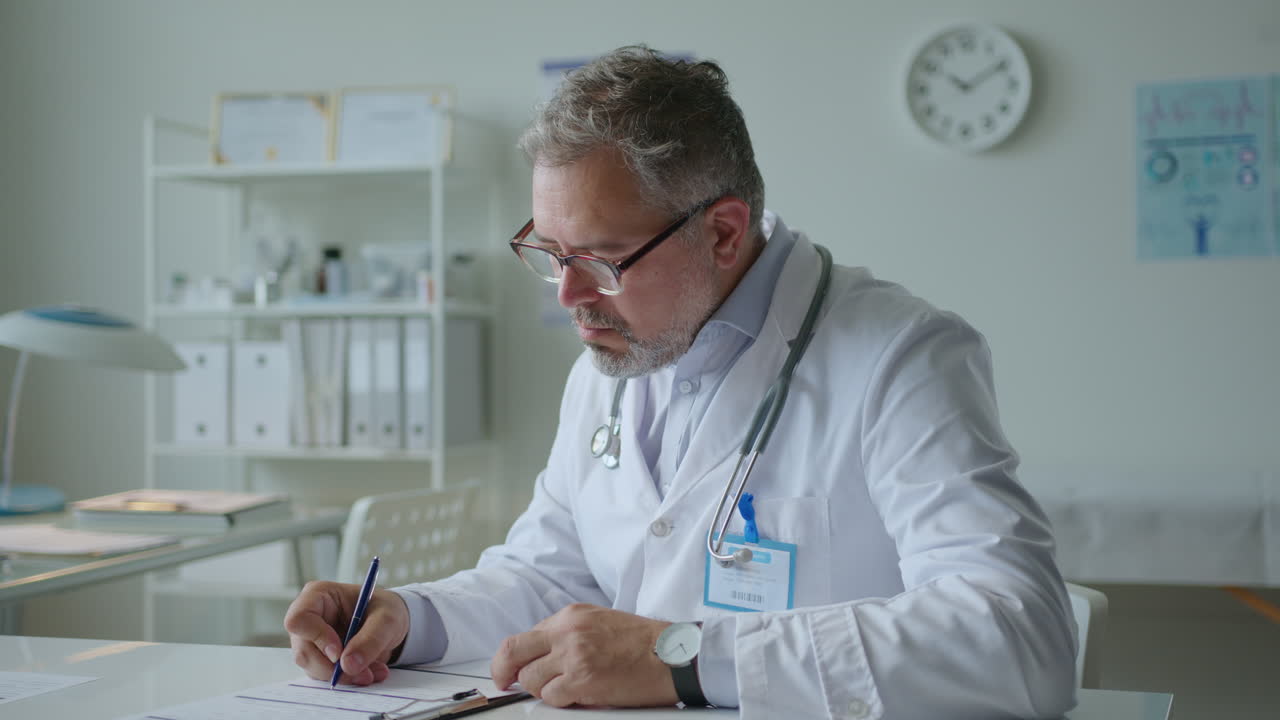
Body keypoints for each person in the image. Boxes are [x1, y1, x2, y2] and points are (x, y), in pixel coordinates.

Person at [285, 45, 1078, 719]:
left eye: (599, 258)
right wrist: (408, 618)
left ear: (724, 232)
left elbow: (1018, 634)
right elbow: (551, 575)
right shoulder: (614, 360)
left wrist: (685, 657)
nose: (567, 295)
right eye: (551, 253)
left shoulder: (900, 357)